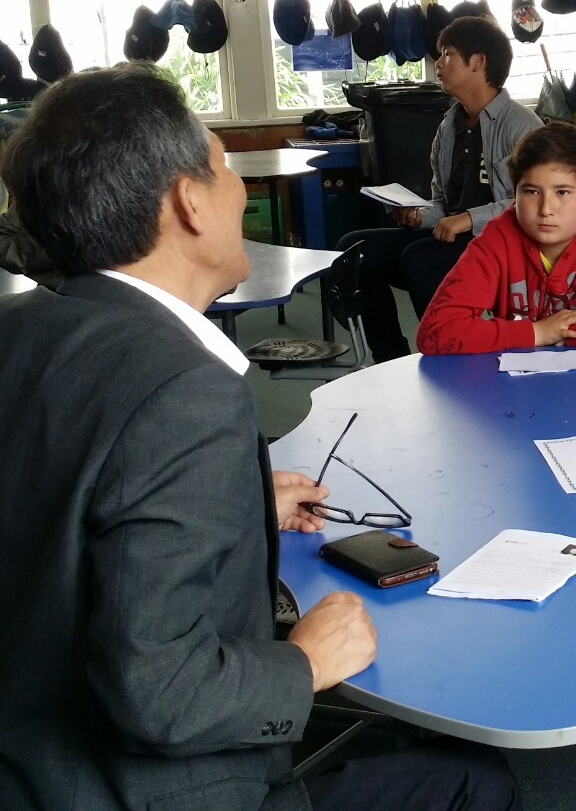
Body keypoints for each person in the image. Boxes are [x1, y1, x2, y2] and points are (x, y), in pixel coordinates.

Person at [0, 64, 520, 811]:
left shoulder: (20, 328)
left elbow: (60, 508)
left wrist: (233, 506)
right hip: (137, 789)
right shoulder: (182, 391)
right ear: (188, 202)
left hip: (24, 760)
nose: (238, 191)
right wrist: (304, 664)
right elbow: (162, 694)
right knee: (476, 781)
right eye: (222, 169)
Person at [337, 15, 543, 362]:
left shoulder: (523, 127)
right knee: (354, 249)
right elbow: (442, 204)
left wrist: (469, 219)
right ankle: (392, 359)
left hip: (504, 243)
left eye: (448, 54)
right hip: (455, 237)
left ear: (478, 62)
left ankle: (454, 354)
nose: (439, 63)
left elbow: (535, 202)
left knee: (419, 259)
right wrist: (421, 216)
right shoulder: (448, 127)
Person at [416, 121, 576, 355]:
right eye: (531, 192)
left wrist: (564, 332)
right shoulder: (498, 237)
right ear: (515, 195)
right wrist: (537, 332)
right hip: (514, 386)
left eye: (562, 192)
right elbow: (434, 332)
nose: (545, 209)